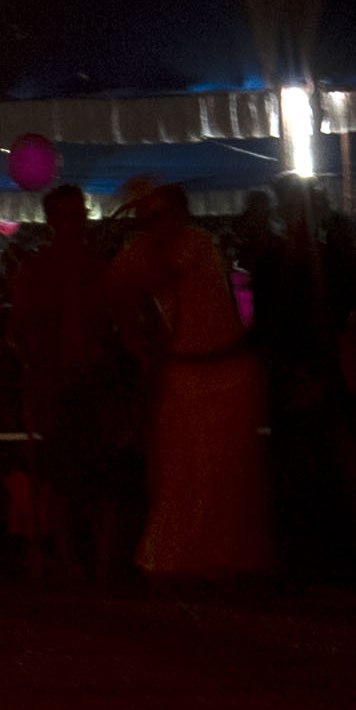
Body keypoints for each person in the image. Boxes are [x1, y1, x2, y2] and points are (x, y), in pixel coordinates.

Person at [104, 183, 271, 580]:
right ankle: (195, 560)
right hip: (190, 372)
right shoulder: (158, 249)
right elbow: (114, 289)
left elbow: (152, 276)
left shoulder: (195, 244)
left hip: (217, 370)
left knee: (217, 472)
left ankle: (215, 560)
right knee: (190, 471)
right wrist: (134, 339)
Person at [8, 177, 130, 585]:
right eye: (71, 214)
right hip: (64, 382)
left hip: (86, 380)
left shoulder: (91, 266)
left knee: (92, 477)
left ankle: (87, 561)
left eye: (79, 214)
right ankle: (81, 560)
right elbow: (22, 332)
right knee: (72, 479)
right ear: (54, 220)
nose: (77, 221)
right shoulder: (47, 269)